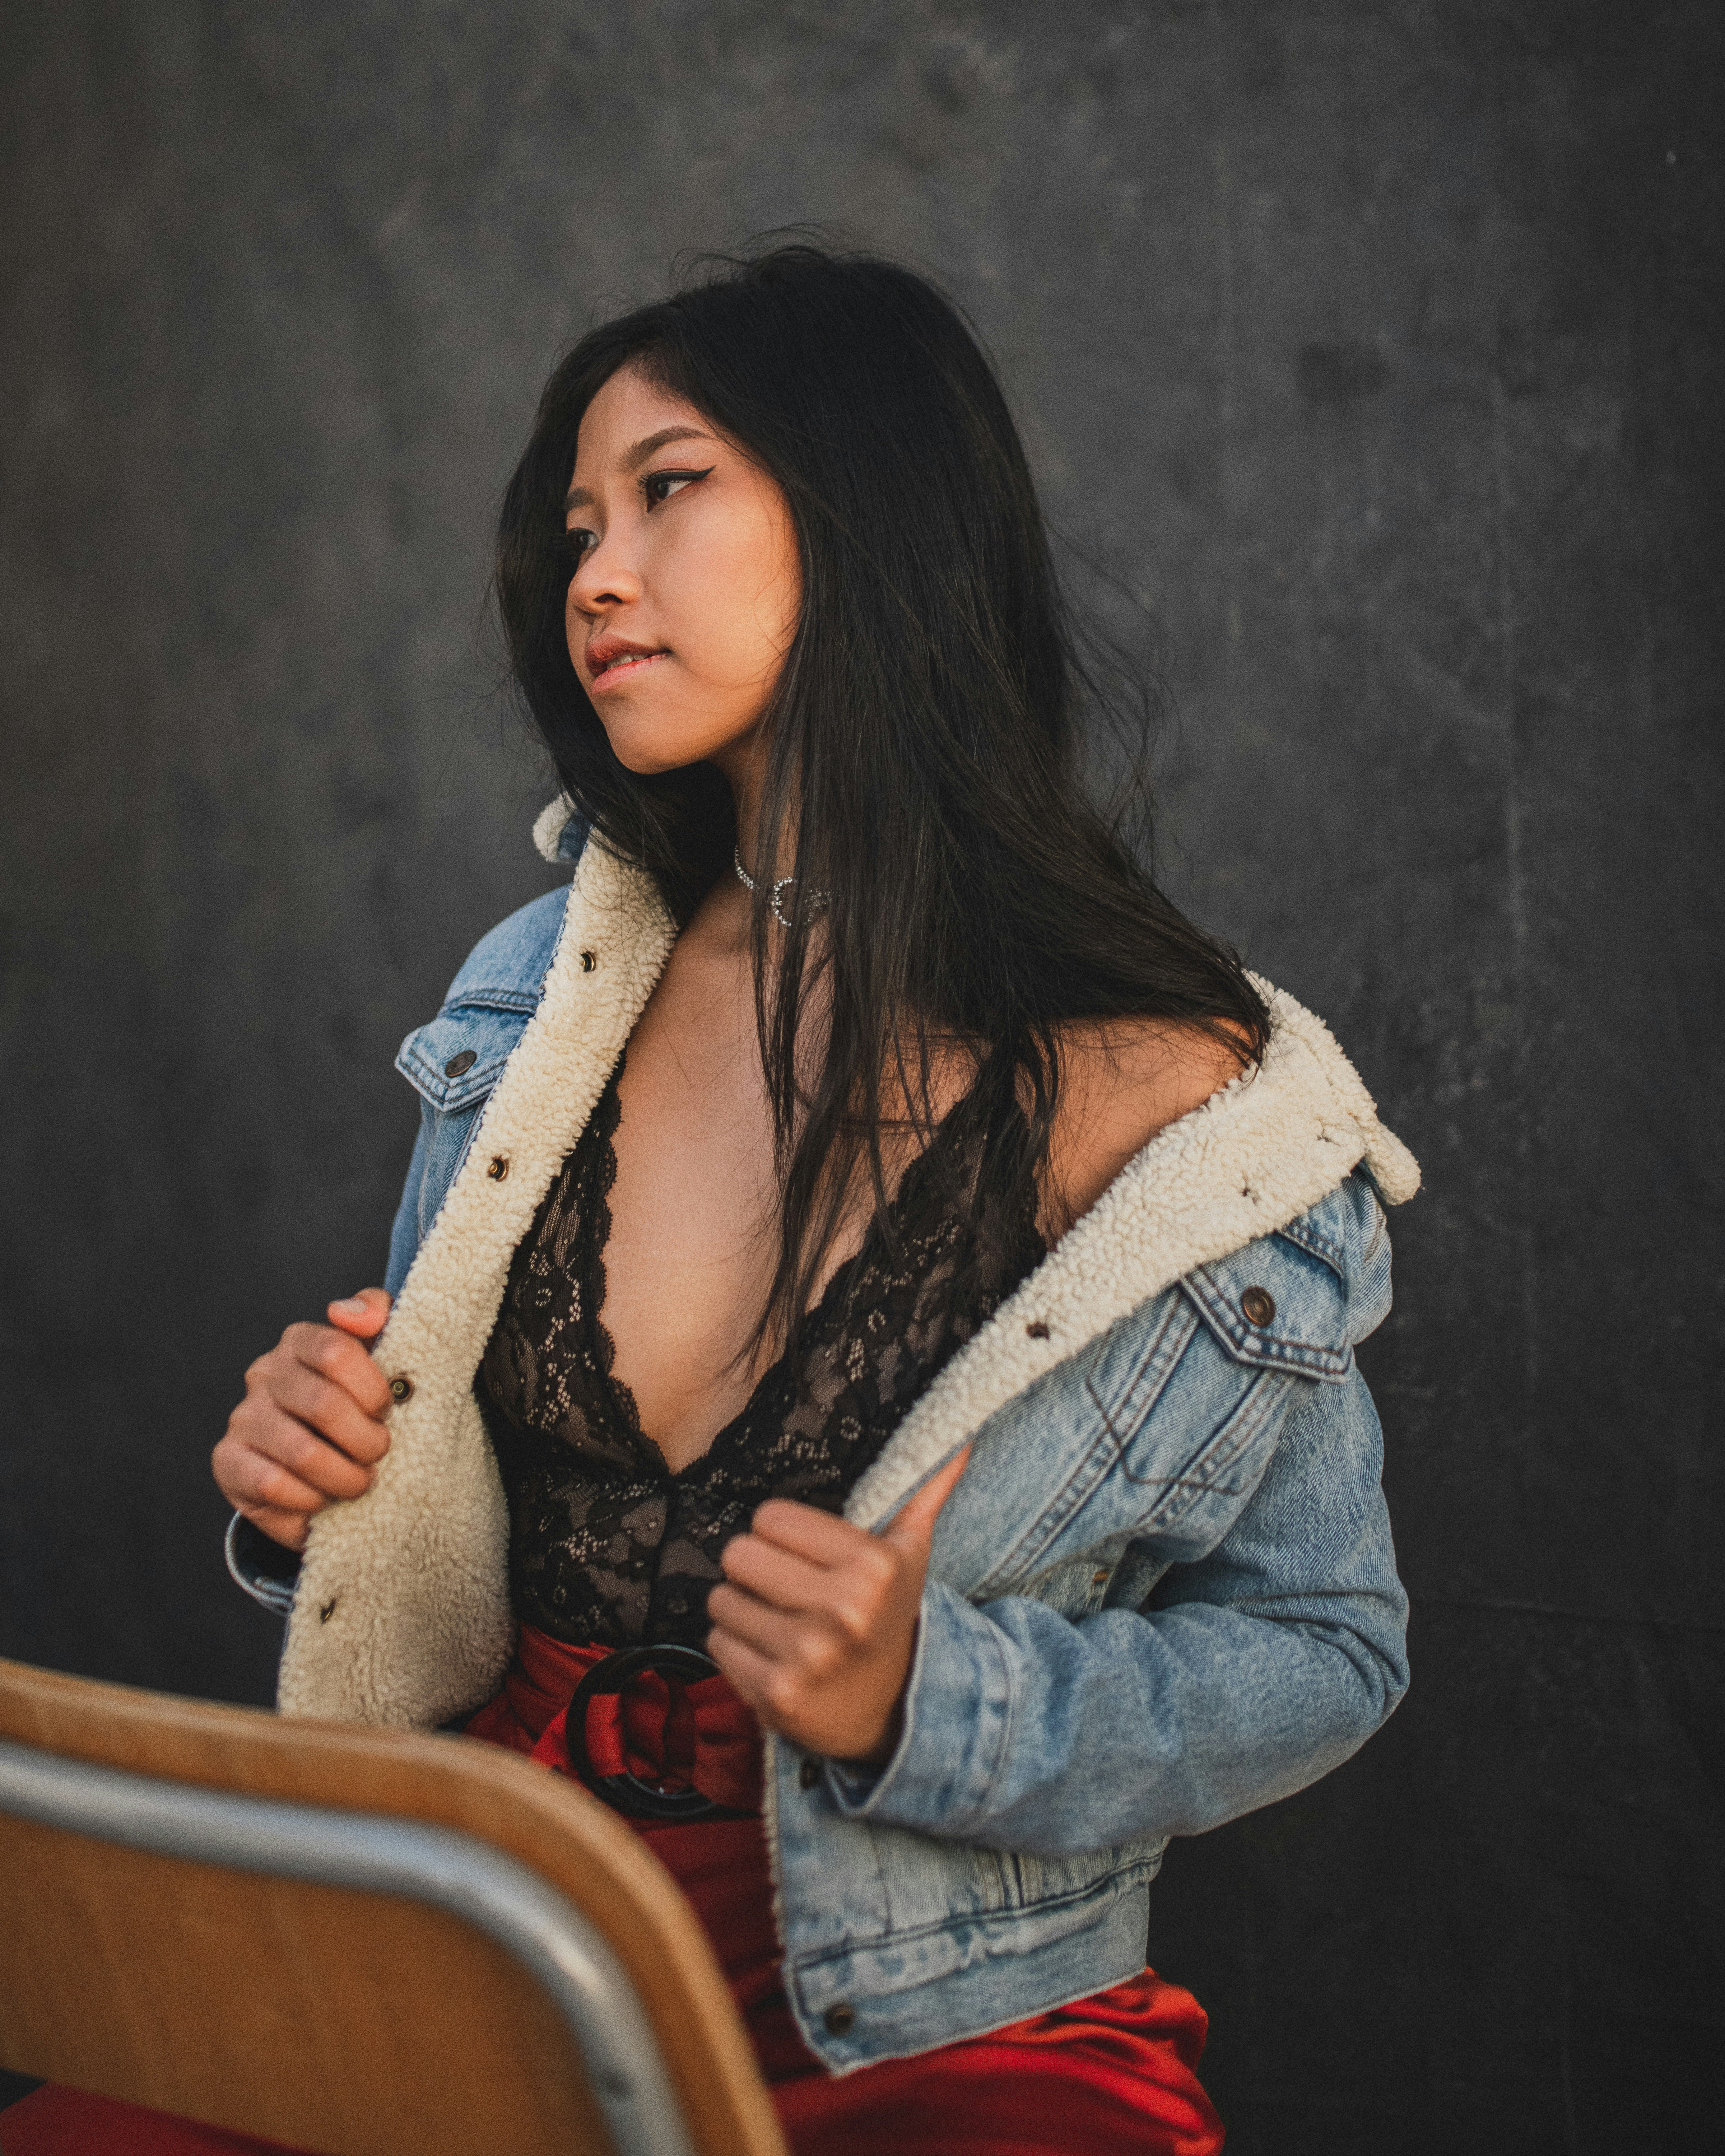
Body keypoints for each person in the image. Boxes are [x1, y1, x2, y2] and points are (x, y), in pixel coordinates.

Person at [8, 242, 1417, 2156]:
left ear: (872, 507)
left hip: (919, 2009)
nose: (594, 572)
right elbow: (454, 1519)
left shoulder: (1192, 1105)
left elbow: (1328, 1644)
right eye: (577, 523)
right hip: (483, 1919)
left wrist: (932, 1690)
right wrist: (321, 1471)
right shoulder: (541, 987)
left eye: (669, 488)